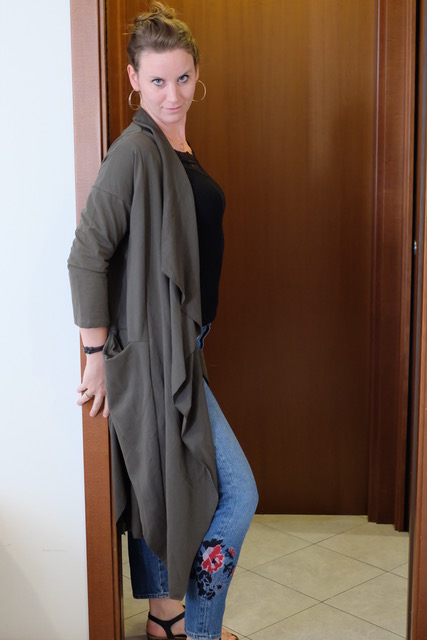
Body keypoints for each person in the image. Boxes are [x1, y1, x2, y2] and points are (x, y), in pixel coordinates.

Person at [68, 3, 258, 639]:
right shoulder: (133, 152)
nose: (171, 94)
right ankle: (199, 631)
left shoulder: (175, 144)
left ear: (197, 74)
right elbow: (86, 256)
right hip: (154, 354)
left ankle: (165, 621)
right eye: (156, 80)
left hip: (184, 345)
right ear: (133, 79)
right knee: (236, 493)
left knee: (166, 487)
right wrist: (96, 356)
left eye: (182, 78)